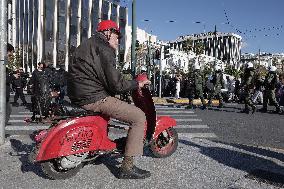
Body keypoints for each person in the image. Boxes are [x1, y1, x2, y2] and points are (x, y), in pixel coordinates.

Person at [67, 20, 151, 179]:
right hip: (93, 97)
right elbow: (116, 84)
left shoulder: (86, 45)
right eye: (117, 36)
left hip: (79, 94)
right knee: (139, 117)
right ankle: (127, 167)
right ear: (108, 33)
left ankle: (97, 149)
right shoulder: (105, 48)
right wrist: (137, 83)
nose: (118, 40)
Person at [5, 43, 14, 125]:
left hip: (5, 97)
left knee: (8, 110)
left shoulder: (4, 66)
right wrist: (13, 77)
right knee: (7, 111)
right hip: (2, 97)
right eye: (10, 55)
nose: (10, 57)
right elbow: (2, 79)